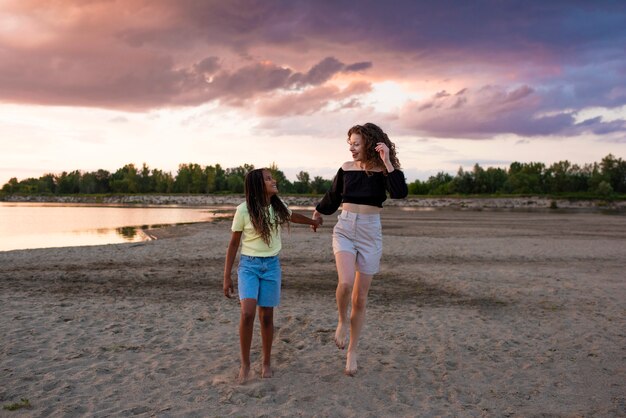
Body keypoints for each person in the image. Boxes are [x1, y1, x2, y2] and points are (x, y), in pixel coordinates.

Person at [312, 123, 408, 376]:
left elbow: (400, 193)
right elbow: (332, 196)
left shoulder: (384, 171)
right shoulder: (346, 168)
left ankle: (352, 351)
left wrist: (387, 161)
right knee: (345, 283)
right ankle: (342, 321)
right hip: (345, 228)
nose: (352, 148)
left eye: (356, 143)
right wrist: (318, 213)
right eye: (350, 144)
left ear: (370, 143)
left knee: (360, 298)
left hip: (370, 232)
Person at [223, 168, 322, 383]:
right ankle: (246, 364)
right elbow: (233, 244)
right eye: (268, 179)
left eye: (272, 178)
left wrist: (313, 222)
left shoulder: (278, 207)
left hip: (271, 266)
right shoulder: (243, 210)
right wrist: (226, 276)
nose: (273, 181)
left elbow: (293, 216)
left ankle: (266, 361)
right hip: (248, 266)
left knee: (266, 316)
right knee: (247, 312)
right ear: (258, 185)